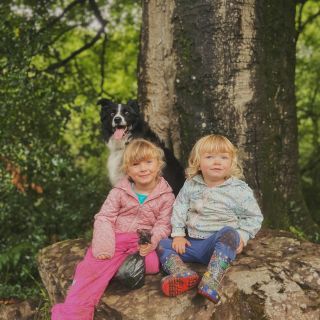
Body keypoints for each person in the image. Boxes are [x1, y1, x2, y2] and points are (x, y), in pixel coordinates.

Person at [52, 139, 175, 320]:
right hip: (116, 239)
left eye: (148, 162)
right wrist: (103, 246)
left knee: (152, 265)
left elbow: (163, 225)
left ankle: (117, 268)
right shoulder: (119, 191)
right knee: (90, 271)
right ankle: (73, 315)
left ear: (158, 165)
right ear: (127, 169)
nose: (143, 168)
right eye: (136, 164)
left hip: (141, 242)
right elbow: (104, 217)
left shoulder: (166, 195)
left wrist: (151, 242)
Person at [157, 134, 263, 303]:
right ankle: (181, 273)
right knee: (162, 244)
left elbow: (254, 217)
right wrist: (178, 234)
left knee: (229, 232)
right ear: (198, 161)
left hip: (218, 246)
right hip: (191, 244)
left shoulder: (239, 189)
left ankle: (211, 280)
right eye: (209, 157)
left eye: (223, 157)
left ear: (231, 162)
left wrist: (242, 236)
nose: (217, 162)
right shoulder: (192, 183)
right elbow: (180, 207)